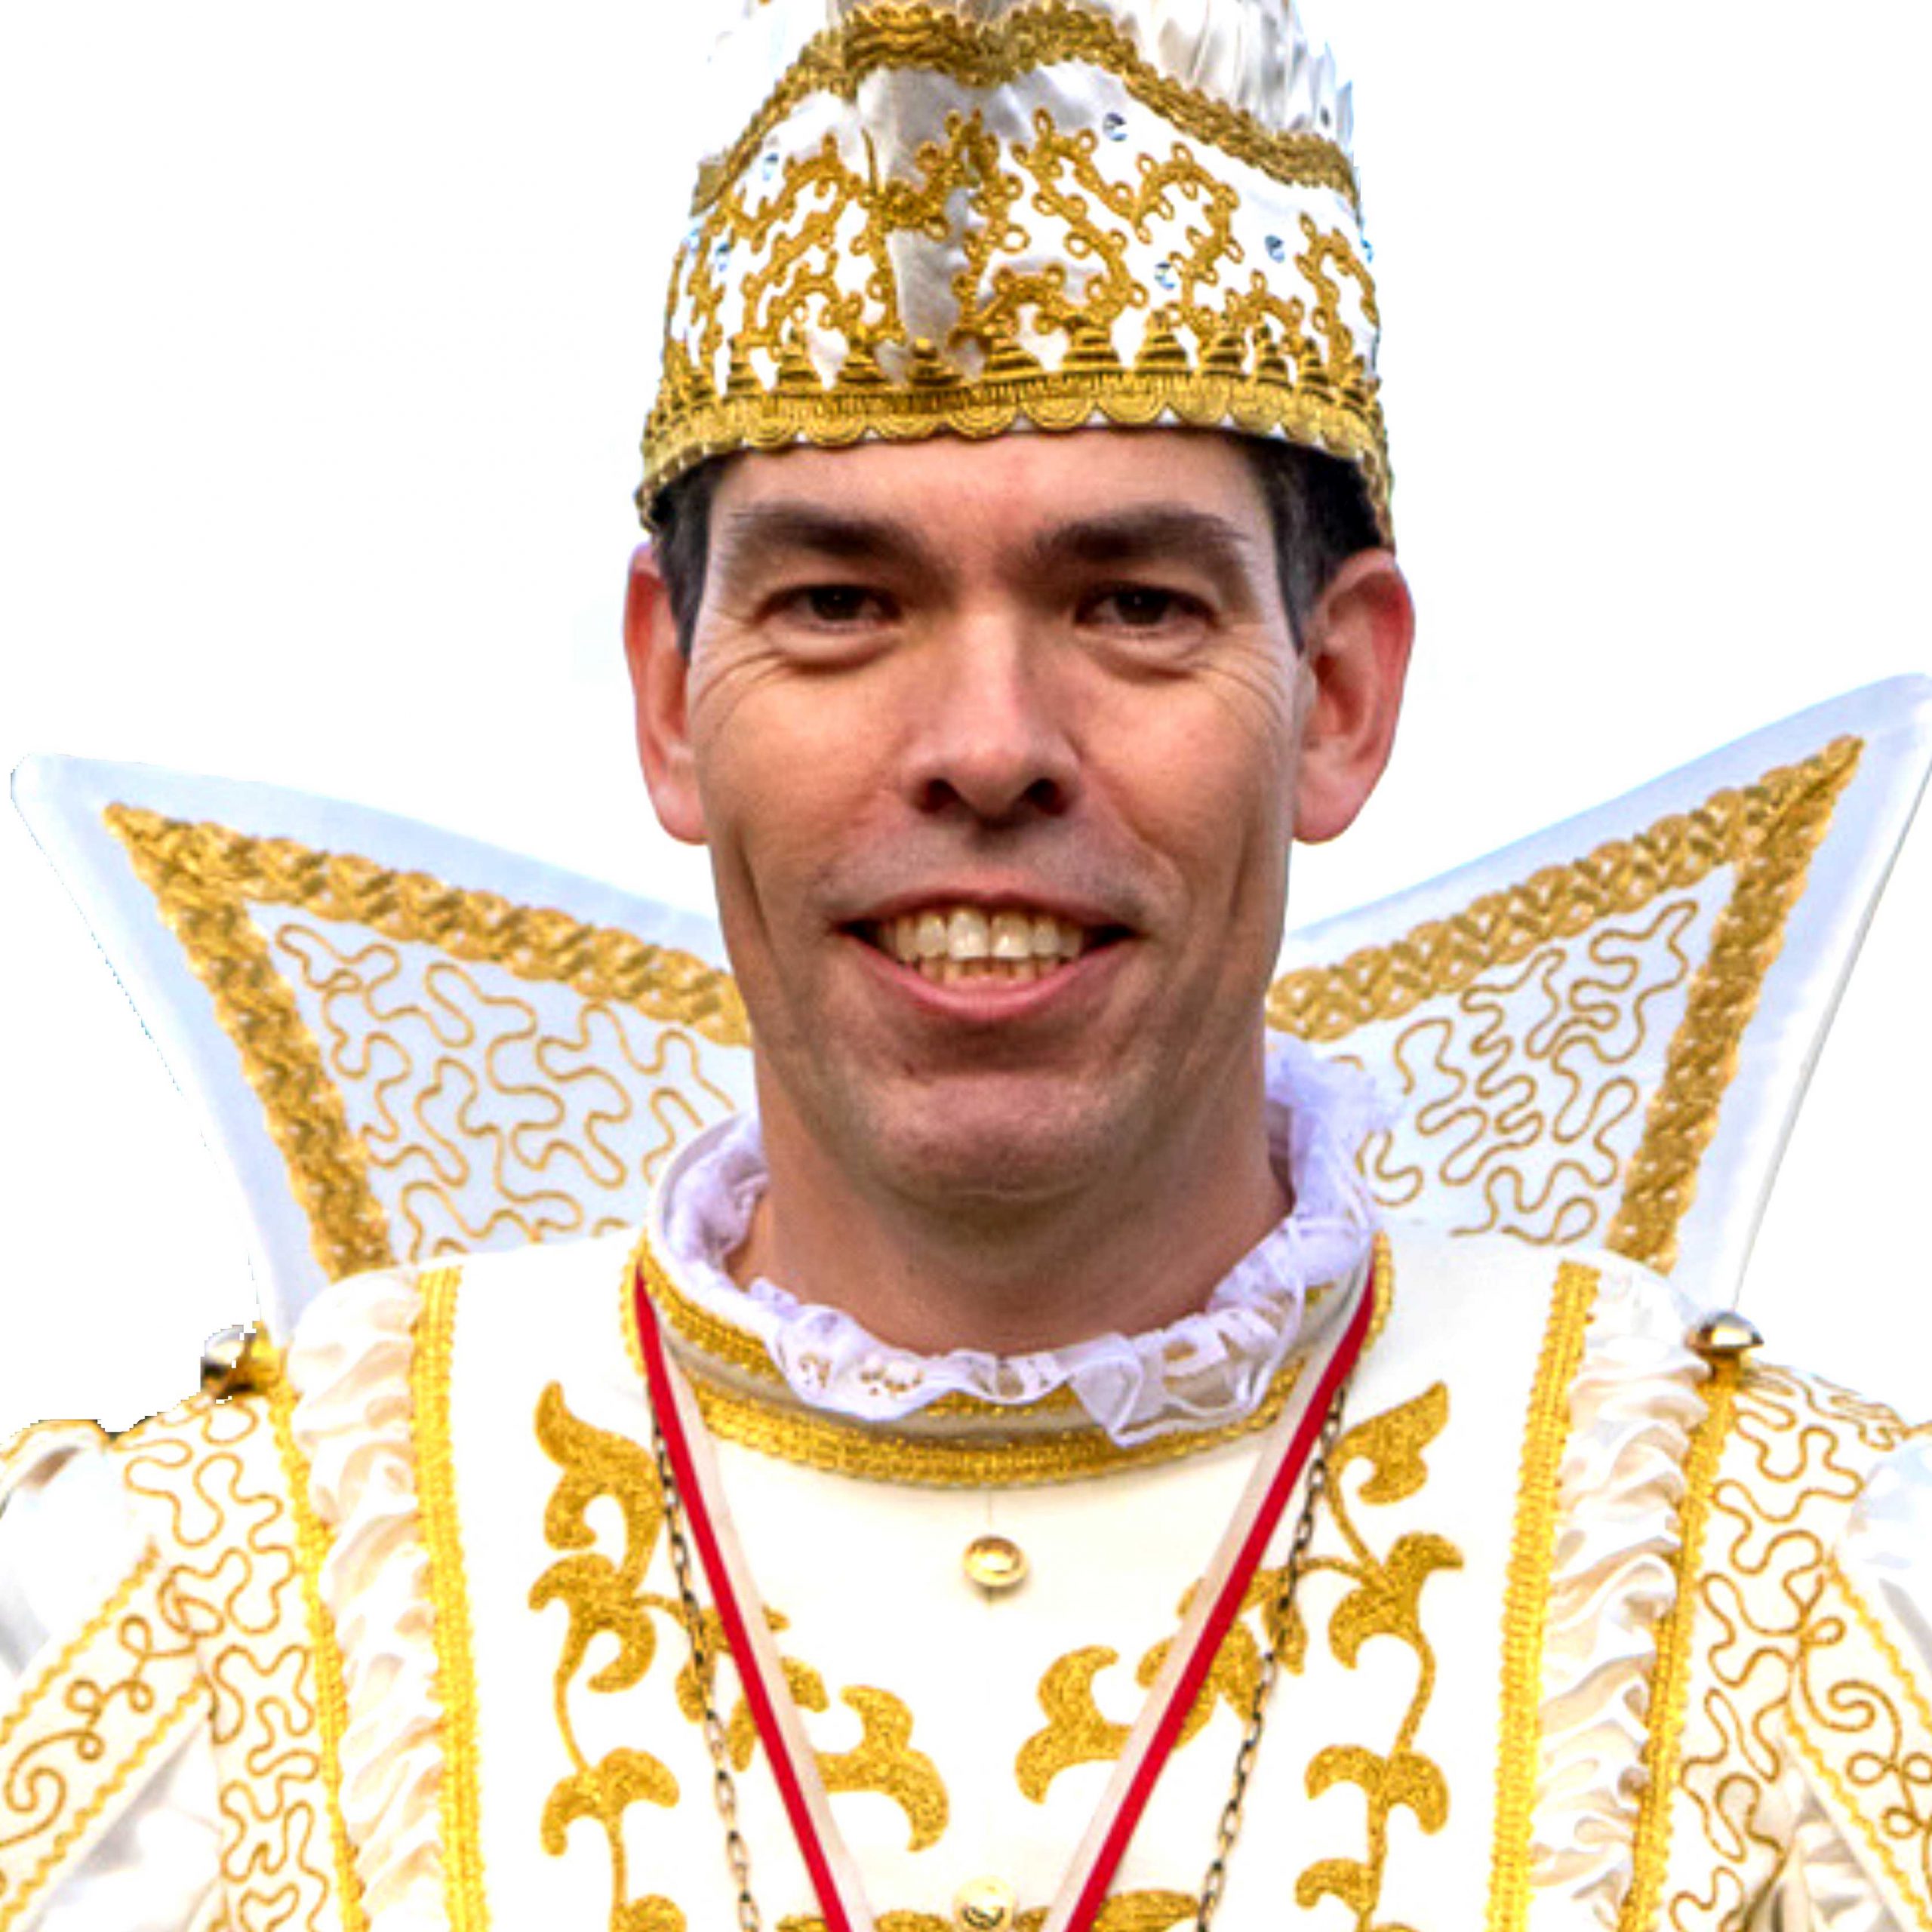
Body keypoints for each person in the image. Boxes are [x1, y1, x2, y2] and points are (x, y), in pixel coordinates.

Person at [2, 3, 1927, 1928]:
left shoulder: (1787, 1610)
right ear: (669, 698)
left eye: (1131, 605)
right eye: (842, 602)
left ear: (1335, 697)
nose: (988, 744)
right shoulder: (188, 1615)